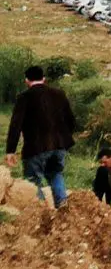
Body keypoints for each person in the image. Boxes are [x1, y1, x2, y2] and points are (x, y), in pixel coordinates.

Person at [5, 66, 75, 209]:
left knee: (32, 181)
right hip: (59, 146)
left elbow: (16, 125)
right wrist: (64, 138)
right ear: (44, 78)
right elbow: (71, 120)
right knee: (56, 174)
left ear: (26, 80)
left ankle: (41, 211)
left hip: (35, 147)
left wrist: (10, 150)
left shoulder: (24, 97)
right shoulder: (59, 94)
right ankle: (63, 206)